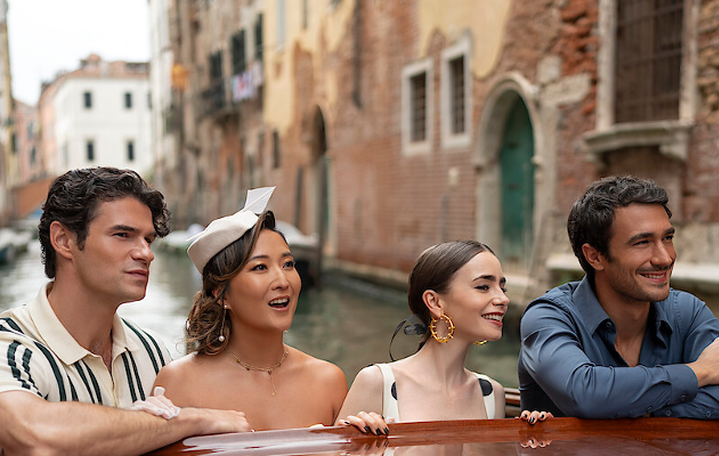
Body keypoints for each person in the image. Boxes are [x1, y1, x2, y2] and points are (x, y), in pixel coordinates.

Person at [0, 167, 251, 456]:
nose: (146, 253)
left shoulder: (152, 352)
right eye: (123, 235)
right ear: (63, 240)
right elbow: (34, 435)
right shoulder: (10, 348)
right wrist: (192, 418)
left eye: (148, 239)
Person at [519, 175, 719, 418]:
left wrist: (636, 407)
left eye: (667, 238)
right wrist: (700, 372)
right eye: (642, 242)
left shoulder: (688, 311)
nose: (664, 258)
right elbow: (584, 393)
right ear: (595, 256)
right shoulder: (548, 317)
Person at [154, 187, 349, 430]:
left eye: (288, 264)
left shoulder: (329, 381)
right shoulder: (178, 383)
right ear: (219, 293)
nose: (283, 281)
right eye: (260, 267)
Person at [337, 240, 551, 433]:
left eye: (502, 288)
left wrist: (537, 435)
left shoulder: (491, 393)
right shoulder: (377, 382)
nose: (503, 299)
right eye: (483, 287)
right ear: (435, 302)